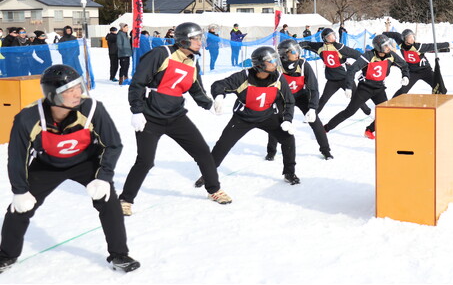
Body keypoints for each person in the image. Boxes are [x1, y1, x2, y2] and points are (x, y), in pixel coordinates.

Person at [0, 65, 140, 273]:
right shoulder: (28, 118)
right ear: (53, 95)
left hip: (86, 162)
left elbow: (113, 145)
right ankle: (6, 255)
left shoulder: (92, 108)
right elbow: (17, 158)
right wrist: (20, 191)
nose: (77, 94)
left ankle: (119, 254)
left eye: (78, 87)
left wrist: (103, 177)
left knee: (108, 201)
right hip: (47, 165)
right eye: (69, 90)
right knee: (19, 208)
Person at [119, 22, 230, 216]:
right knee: (145, 161)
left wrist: (209, 104)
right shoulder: (161, 54)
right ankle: (125, 200)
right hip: (150, 117)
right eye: (196, 39)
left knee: (203, 152)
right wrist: (137, 110)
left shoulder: (192, 62)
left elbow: (196, 89)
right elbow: (137, 83)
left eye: (200, 38)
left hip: (176, 116)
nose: (200, 42)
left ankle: (214, 190)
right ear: (184, 40)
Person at [200, 46, 301, 187]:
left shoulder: (278, 77)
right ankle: (207, 174)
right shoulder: (244, 76)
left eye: (275, 59)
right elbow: (219, 84)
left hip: (267, 116)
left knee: (288, 139)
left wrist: (288, 119)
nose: (275, 63)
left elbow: (289, 100)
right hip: (243, 118)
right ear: (260, 65)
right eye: (271, 61)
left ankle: (289, 173)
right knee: (223, 144)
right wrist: (219, 96)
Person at [324, 34, 409, 140]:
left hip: (379, 88)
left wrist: (405, 76)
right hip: (365, 88)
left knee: (386, 112)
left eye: (388, 45)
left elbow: (404, 65)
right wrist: (349, 86)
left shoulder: (391, 55)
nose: (388, 47)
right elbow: (352, 69)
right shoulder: (369, 56)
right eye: (385, 45)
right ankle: (326, 128)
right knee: (349, 111)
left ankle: (369, 130)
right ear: (379, 47)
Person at [266, 39, 333, 161]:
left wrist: (312, 108)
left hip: (301, 95)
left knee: (315, 121)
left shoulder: (303, 64)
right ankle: (271, 151)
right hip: (283, 97)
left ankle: (326, 150)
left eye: (297, 50)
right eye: (293, 51)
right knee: (276, 122)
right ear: (284, 54)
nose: (297, 53)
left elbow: (313, 88)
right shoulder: (277, 66)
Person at [299, 28, 371, 115]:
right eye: (329, 37)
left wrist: (366, 63)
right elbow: (309, 45)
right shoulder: (320, 47)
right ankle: (313, 116)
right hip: (332, 80)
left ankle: (368, 112)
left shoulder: (339, 47)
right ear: (324, 39)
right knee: (323, 99)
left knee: (355, 97)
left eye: (333, 35)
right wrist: (299, 44)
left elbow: (357, 54)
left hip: (345, 78)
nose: (332, 38)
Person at [383, 24, 449, 97]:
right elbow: (395, 35)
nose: (412, 39)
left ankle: (441, 100)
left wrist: (447, 44)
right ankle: (393, 102)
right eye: (409, 37)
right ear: (404, 39)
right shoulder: (400, 42)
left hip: (426, 70)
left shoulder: (418, 46)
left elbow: (432, 46)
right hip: (412, 72)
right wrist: (383, 35)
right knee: (403, 90)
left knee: (439, 87)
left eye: (412, 37)